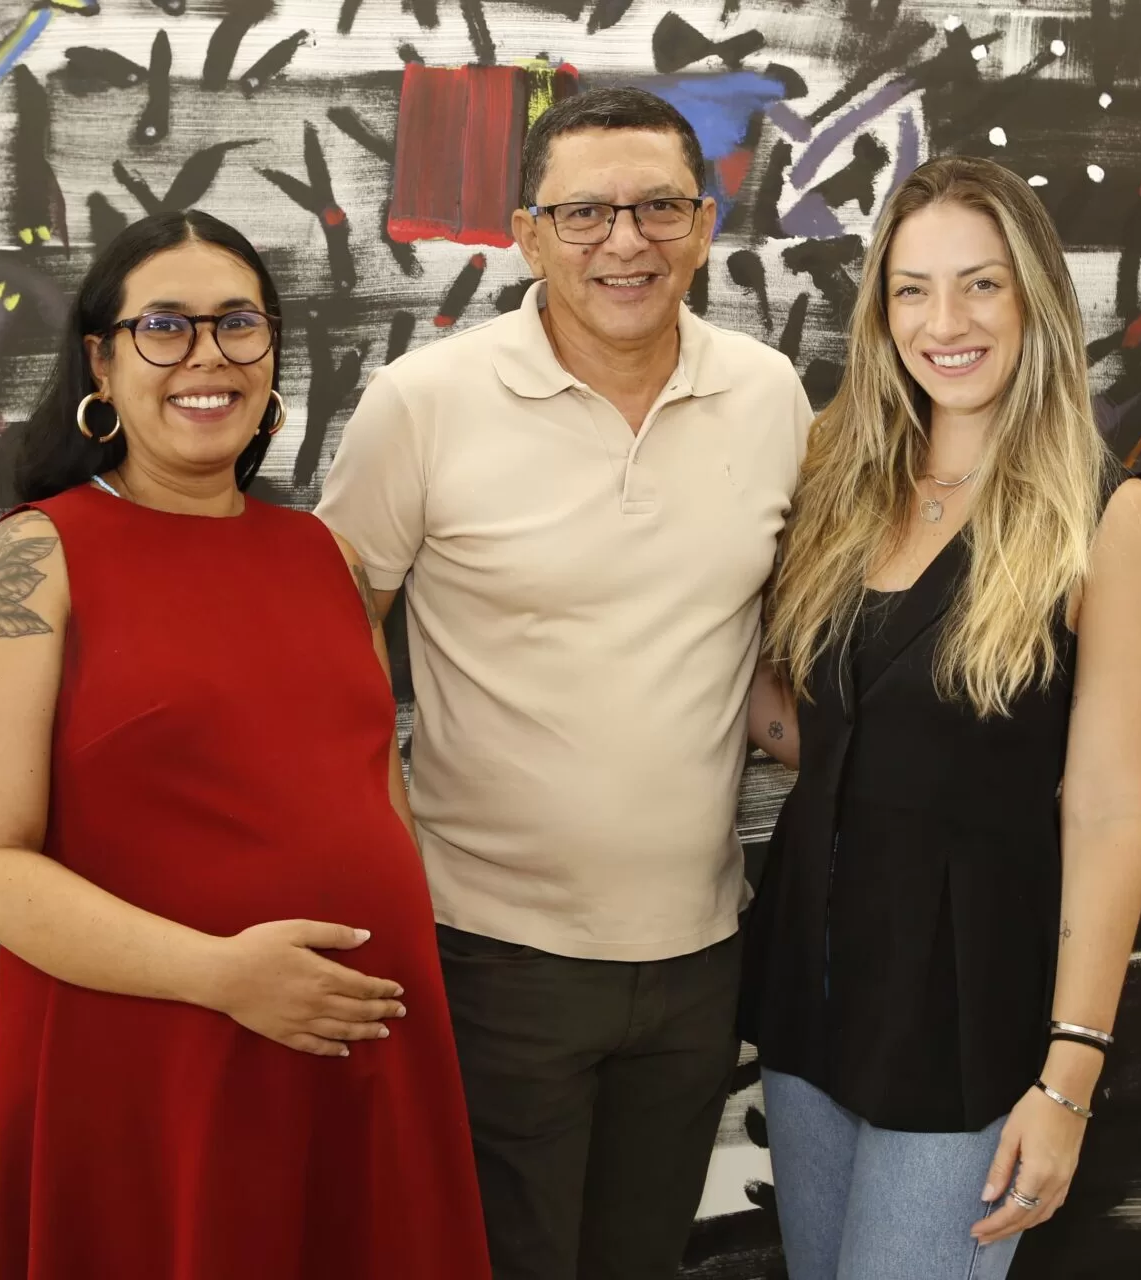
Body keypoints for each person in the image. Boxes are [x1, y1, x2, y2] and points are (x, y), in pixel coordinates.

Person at [0, 209, 490, 1280]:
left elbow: (376, 791)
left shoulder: (324, 555)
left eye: (238, 323)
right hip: (155, 1059)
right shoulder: (35, 556)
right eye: (164, 326)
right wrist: (222, 974)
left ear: (272, 353)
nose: (207, 355)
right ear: (101, 361)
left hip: (360, 1054)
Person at [315, 88, 812, 1279]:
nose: (624, 241)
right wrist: (379, 856)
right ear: (528, 237)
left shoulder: (770, 395)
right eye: (585, 212)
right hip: (491, 953)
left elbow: (764, 648)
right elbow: (327, 645)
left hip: (702, 951)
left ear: (706, 226)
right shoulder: (422, 404)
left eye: (658, 208)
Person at [740, 155, 1141, 1278]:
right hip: (812, 992)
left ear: (1035, 297)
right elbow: (825, 735)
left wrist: (1069, 1077)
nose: (946, 322)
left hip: (968, 1017)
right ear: (882, 314)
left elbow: (1111, 809)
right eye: (913, 289)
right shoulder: (839, 483)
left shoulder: (1108, 515)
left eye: (982, 284)